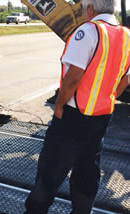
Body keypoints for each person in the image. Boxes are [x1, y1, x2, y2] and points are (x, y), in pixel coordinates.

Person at [24, 0, 130, 213]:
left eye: (83, 8)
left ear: (91, 8)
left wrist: (60, 106)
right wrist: (106, 98)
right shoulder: (127, 36)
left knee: (51, 169)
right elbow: (125, 80)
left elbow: (73, 78)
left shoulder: (89, 32)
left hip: (74, 115)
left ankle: (35, 210)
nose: (82, 13)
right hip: (101, 117)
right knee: (87, 169)